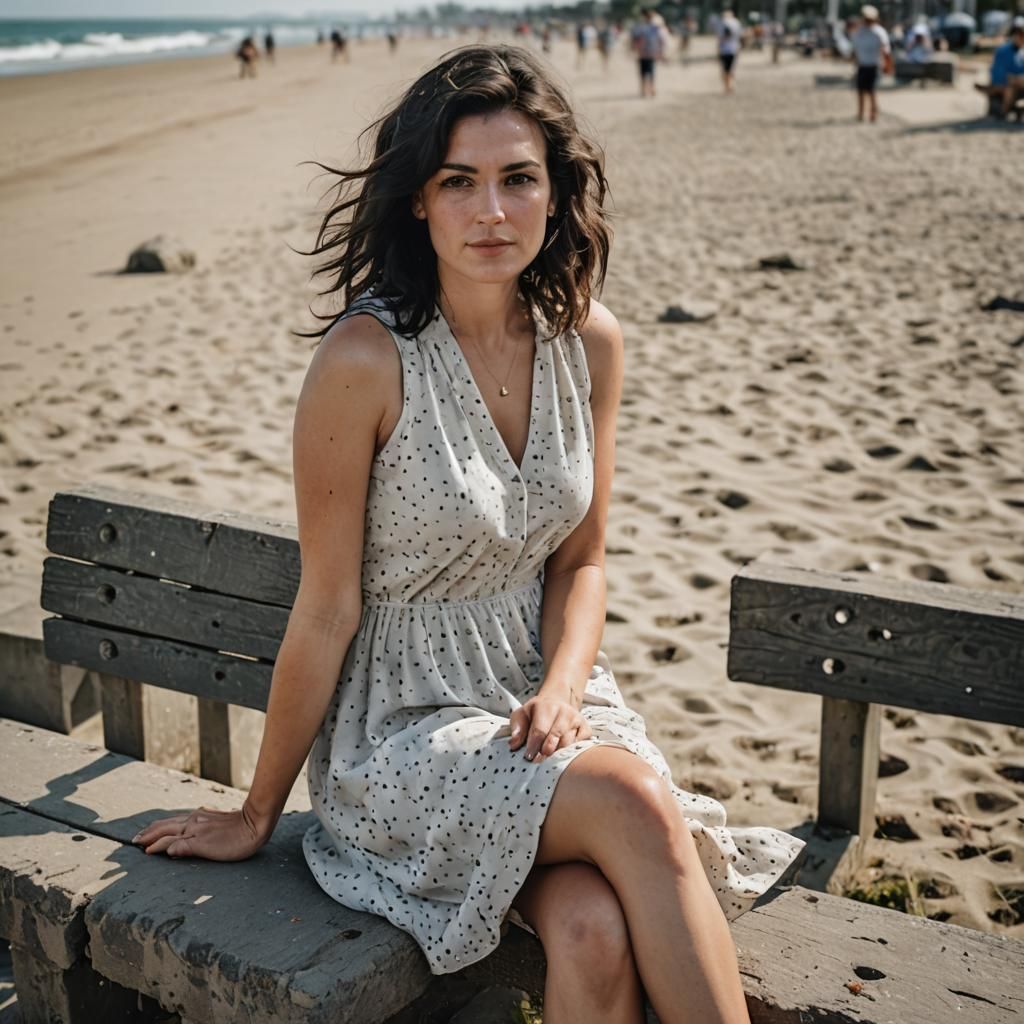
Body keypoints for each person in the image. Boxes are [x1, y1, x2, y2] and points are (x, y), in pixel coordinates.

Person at [132, 44, 804, 1023]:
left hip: (544, 706)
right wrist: (255, 813)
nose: (491, 212)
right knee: (637, 805)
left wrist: (563, 687)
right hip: (401, 736)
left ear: (554, 191)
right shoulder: (366, 360)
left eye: (517, 179)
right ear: (417, 199)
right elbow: (326, 609)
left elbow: (582, 561)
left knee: (591, 931)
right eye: (459, 182)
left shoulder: (587, 342)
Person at [850, 4, 891, 122]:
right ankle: (861, 113)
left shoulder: (879, 32)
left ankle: (873, 113)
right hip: (862, 65)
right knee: (860, 90)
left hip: (874, 65)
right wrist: (855, 63)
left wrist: (887, 65)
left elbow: (885, 50)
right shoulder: (859, 32)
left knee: (871, 90)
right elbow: (855, 50)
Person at [632, 8, 665, 97]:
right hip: (648, 53)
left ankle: (646, 90)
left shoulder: (644, 27)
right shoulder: (652, 27)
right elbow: (661, 40)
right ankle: (649, 89)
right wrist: (660, 51)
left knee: (645, 72)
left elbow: (636, 39)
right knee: (649, 72)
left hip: (646, 53)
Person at [717, 9, 743, 94]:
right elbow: (740, 36)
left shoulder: (724, 22)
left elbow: (725, 35)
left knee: (725, 69)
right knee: (731, 69)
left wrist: (718, 47)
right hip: (734, 48)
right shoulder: (737, 22)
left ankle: (727, 86)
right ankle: (730, 85)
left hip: (725, 49)